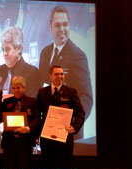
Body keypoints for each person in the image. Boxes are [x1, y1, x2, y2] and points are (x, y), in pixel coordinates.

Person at [38, 5, 92, 138]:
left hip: (68, 130)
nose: (62, 29)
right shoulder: (45, 52)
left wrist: (75, 123)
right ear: (50, 27)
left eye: (65, 24)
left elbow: (86, 97)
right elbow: (42, 87)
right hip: (47, 128)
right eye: (57, 25)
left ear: (69, 26)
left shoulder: (78, 55)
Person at [36, 65, 85, 169]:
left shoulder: (71, 92)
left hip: (65, 137)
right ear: (50, 76)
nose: (60, 76)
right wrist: (36, 134)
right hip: (47, 138)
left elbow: (80, 112)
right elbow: (37, 115)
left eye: (62, 74)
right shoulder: (42, 92)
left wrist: (75, 126)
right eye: (56, 74)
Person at [1, 76, 40, 169]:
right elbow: (1, 117)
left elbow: (37, 118)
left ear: (24, 88)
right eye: (14, 88)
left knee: (25, 168)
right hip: (9, 140)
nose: (16, 90)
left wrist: (28, 128)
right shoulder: (6, 102)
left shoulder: (33, 101)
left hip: (25, 141)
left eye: (18, 88)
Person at [0, 26, 40, 98]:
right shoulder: (1, 70)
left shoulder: (32, 72)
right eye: (3, 49)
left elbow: (31, 102)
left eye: (8, 49)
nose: (4, 54)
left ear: (19, 48)